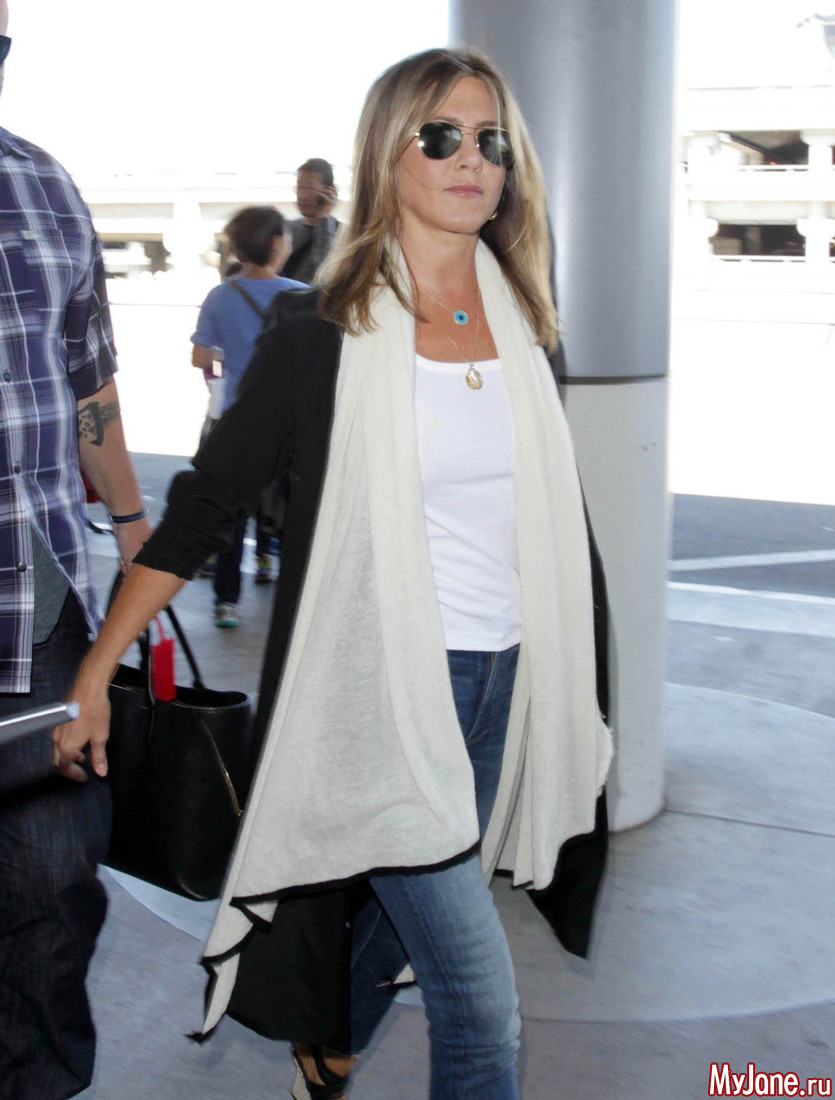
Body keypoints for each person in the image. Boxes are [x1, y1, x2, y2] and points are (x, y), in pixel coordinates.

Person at [55, 47, 613, 1100]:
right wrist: (97, 670)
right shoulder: (321, 333)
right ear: (387, 153)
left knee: (407, 923)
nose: (472, 159)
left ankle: (329, 1036)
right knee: (479, 1002)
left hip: (507, 681)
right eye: (441, 136)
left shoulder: (528, 322)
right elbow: (208, 506)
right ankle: (344, 1033)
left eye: (490, 139)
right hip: (387, 690)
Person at [0, 4, 152, 1097]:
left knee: (55, 886)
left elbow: (90, 382)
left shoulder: (46, 185)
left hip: (42, 605)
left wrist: (136, 529)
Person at [190, 206, 305, 624]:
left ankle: (226, 601)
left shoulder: (220, 296)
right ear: (275, 243)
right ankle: (293, 602)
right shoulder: (301, 296)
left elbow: (200, 357)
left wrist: (234, 353)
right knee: (292, 513)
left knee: (233, 512)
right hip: (287, 421)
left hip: (236, 419)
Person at [282, 156, 340, 284]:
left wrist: (324, 219)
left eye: (310, 188)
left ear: (329, 192)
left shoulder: (343, 233)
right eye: (300, 187)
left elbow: (320, 273)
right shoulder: (287, 230)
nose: (302, 196)